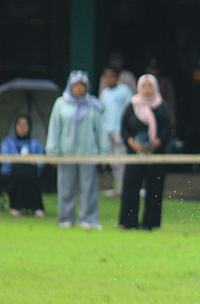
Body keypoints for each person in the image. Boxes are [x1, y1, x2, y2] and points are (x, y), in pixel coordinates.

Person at [46, 70, 108, 229]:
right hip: (67, 154)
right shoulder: (60, 104)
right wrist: (52, 152)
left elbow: (100, 130)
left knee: (89, 189)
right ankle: (65, 218)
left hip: (88, 153)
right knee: (66, 188)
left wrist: (104, 153)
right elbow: (54, 128)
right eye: (76, 86)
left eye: (82, 86)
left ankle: (88, 219)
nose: (79, 89)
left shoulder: (93, 105)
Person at [118, 74, 173, 231]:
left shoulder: (161, 107)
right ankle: (127, 221)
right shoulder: (132, 106)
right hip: (135, 154)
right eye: (144, 86)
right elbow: (124, 128)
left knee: (154, 189)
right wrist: (133, 144)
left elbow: (167, 128)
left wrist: (156, 143)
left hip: (155, 155)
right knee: (130, 187)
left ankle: (150, 222)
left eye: (150, 86)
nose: (147, 90)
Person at [0, 115, 45, 217]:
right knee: (21, 170)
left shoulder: (35, 143)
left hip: (31, 174)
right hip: (11, 173)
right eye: (19, 124)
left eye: (25, 124)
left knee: (28, 171)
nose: (22, 127)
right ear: (15, 126)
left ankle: (28, 206)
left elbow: (42, 162)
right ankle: (20, 206)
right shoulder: (7, 142)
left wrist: (32, 160)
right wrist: (21, 159)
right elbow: (5, 160)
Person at [99, 66, 133, 197]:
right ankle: (118, 186)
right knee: (112, 161)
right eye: (106, 76)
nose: (109, 79)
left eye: (111, 76)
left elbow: (129, 110)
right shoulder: (104, 93)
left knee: (121, 160)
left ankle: (123, 187)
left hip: (120, 131)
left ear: (117, 78)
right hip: (108, 130)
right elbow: (102, 113)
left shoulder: (124, 90)